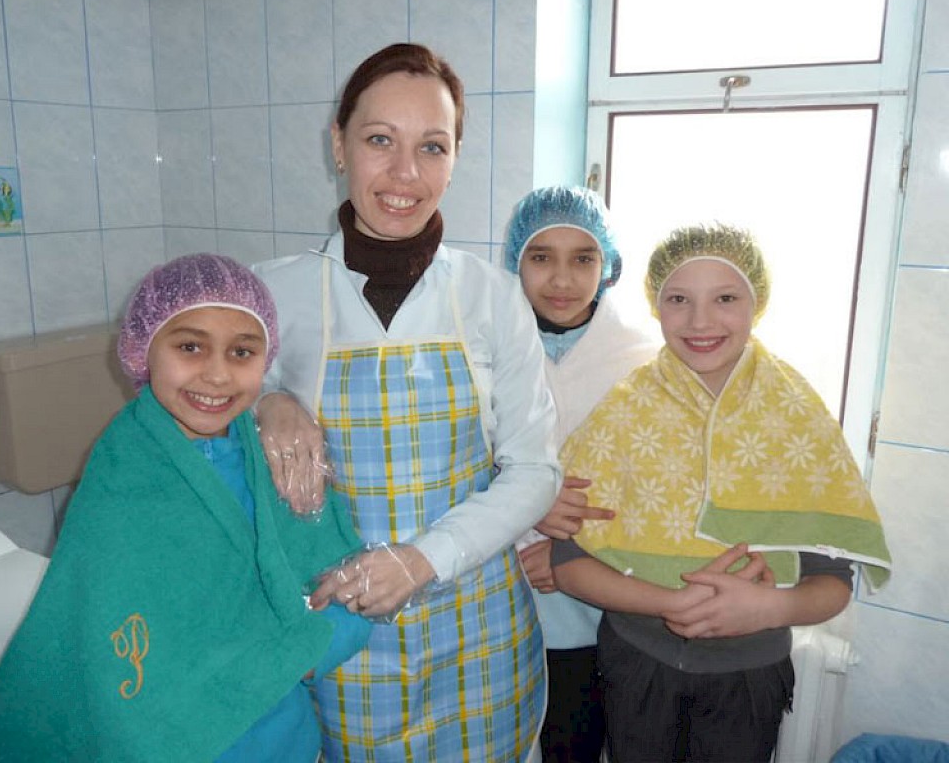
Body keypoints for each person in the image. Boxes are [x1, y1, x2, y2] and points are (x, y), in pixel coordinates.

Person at [251, 43, 560, 762]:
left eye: (432, 147)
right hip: (343, 629)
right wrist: (264, 400)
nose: (405, 174)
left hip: (480, 626)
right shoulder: (271, 294)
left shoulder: (491, 296)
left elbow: (535, 470)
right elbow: (193, 403)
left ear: (455, 159)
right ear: (338, 144)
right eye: (379, 140)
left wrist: (422, 559)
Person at [0, 253, 371, 763]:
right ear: (143, 350)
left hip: (283, 735)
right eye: (190, 346)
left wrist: (310, 654)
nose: (217, 375)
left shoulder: (278, 456)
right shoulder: (123, 478)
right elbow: (96, 629)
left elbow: (346, 577)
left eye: (242, 352)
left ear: (266, 360)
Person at [552, 224, 892, 763]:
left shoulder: (796, 418)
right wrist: (669, 602)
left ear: (757, 304)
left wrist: (768, 607)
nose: (700, 321)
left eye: (725, 298)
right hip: (634, 664)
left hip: (750, 676)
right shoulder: (624, 410)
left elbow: (832, 584)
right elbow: (568, 563)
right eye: (678, 300)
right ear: (656, 305)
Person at [503, 185, 660, 762]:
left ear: (609, 265)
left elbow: (656, 489)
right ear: (515, 262)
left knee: (574, 744)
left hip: (598, 610)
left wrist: (575, 557)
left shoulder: (643, 360)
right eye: (541, 257)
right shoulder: (488, 347)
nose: (562, 280)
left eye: (583, 259)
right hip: (498, 592)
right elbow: (460, 462)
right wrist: (529, 508)